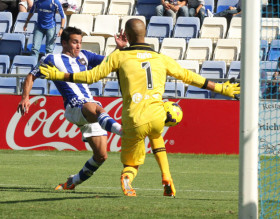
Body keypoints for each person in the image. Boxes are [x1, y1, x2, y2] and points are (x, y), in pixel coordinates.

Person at [38, 19, 240, 197]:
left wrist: (59, 76)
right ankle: (167, 178)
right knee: (156, 140)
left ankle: (125, 175)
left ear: (126, 35)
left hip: (133, 119)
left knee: (129, 163)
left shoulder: (120, 57)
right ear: (146, 34)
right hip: (158, 115)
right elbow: (190, 77)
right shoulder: (161, 58)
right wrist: (221, 88)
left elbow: (91, 77)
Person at [17, 26, 124, 190]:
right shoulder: (51, 59)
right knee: (95, 108)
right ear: (64, 43)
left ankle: (72, 182)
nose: (79, 46)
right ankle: (122, 131)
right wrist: (25, 97)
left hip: (89, 109)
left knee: (101, 156)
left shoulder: (85, 56)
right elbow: (31, 75)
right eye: (75, 42)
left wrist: (119, 48)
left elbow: (109, 62)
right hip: (74, 106)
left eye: (80, 42)